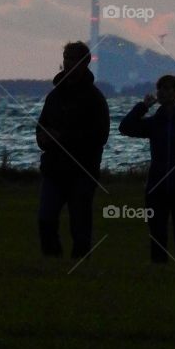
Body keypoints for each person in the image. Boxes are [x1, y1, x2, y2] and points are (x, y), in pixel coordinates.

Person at [35, 41, 110, 260]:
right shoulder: (54, 96)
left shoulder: (95, 99)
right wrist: (43, 138)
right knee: (45, 218)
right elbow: (41, 125)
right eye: (66, 58)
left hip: (82, 170)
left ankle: (81, 260)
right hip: (54, 170)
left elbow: (100, 135)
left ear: (85, 63)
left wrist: (63, 138)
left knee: (80, 221)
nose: (67, 63)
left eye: (72, 59)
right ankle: (53, 258)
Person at [119, 74, 175, 264]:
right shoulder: (155, 122)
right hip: (156, 186)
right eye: (160, 88)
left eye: (167, 88)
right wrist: (142, 107)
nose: (163, 92)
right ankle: (159, 270)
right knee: (157, 233)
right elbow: (125, 127)